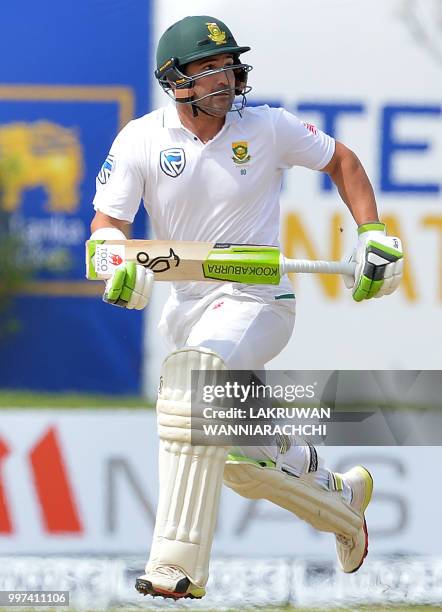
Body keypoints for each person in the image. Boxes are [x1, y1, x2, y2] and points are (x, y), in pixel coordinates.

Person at [89, 15, 403, 600]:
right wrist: (118, 261)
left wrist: (372, 232)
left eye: (229, 64)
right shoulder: (141, 139)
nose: (225, 78)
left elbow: (344, 162)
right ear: (175, 79)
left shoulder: (268, 127)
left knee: (194, 387)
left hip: (261, 299)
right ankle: (341, 504)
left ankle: (175, 565)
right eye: (209, 68)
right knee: (236, 458)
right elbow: (108, 229)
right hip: (188, 306)